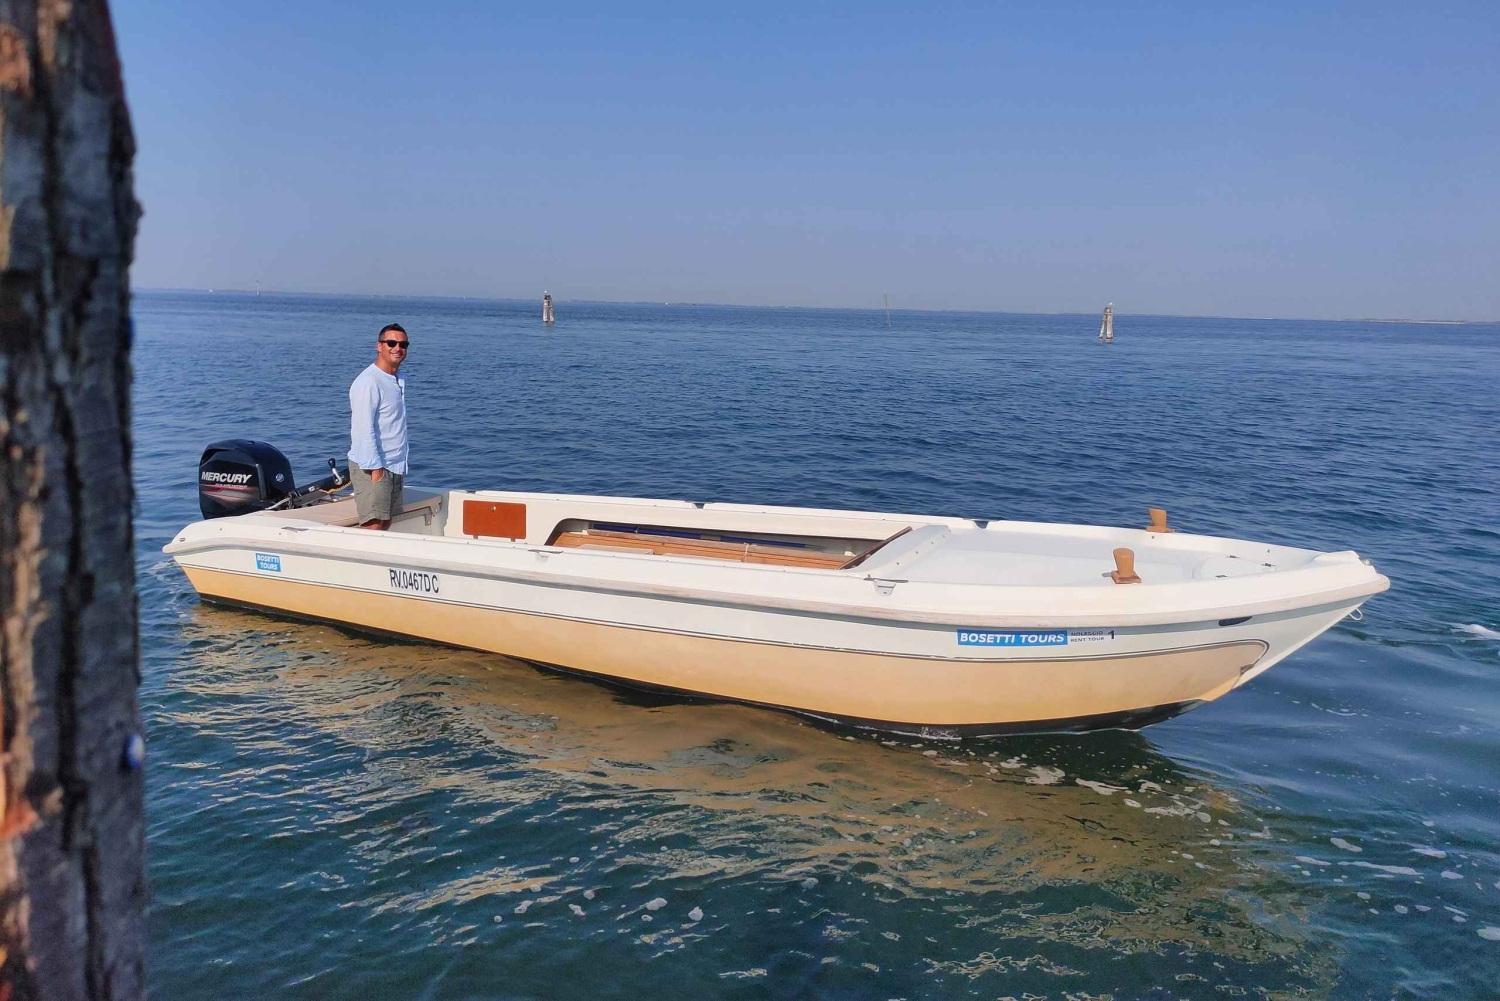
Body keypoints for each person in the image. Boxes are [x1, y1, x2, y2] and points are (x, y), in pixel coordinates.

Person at [348, 323, 410, 529]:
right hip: (374, 466)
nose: (397, 348)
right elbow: (362, 429)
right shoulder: (369, 382)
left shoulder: (397, 379)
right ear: (379, 346)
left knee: (386, 524)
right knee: (372, 527)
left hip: (395, 464)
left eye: (403, 344)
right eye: (391, 343)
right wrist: (375, 469)